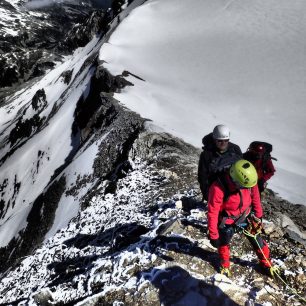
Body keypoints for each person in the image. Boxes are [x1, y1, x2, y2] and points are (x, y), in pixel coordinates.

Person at [207, 159, 277, 277]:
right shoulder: (218, 188)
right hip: (226, 220)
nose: (245, 188)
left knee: (258, 241)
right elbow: (212, 212)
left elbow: (255, 196)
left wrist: (258, 215)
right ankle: (225, 265)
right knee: (223, 243)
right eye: (242, 186)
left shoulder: (248, 182)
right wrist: (214, 235)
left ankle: (266, 264)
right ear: (235, 179)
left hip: (245, 215)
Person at [198, 125, 242, 201]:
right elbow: (202, 176)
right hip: (216, 190)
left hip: (234, 188)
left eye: (226, 140)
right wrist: (206, 194)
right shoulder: (207, 154)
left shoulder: (235, 149)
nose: (223, 143)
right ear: (214, 139)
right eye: (220, 141)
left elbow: (241, 167)